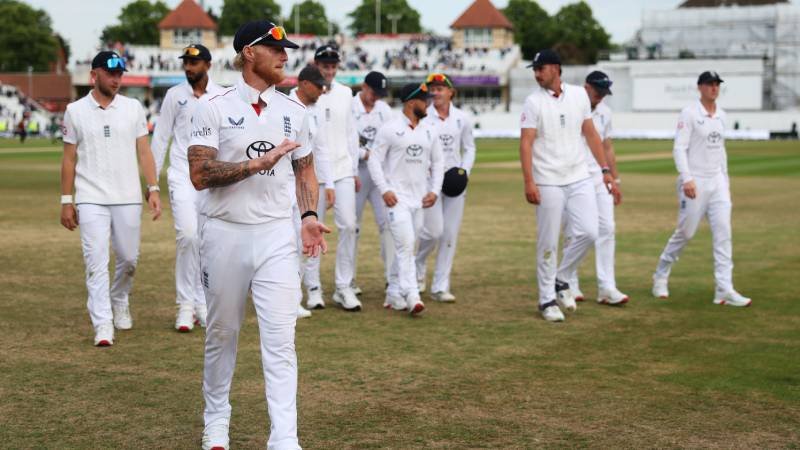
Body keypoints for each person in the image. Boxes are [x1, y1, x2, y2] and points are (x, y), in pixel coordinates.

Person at [187, 21, 329, 450]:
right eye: (276, 49)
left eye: (286, 50)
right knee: (222, 334)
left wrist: (306, 214)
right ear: (249, 53)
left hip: (275, 237)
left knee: (281, 340)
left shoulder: (295, 112)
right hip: (224, 233)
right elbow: (199, 174)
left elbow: (304, 168)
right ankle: (216, 422)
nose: (285, 57)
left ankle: (284, 437)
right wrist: (257, 163)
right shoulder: (212, 106)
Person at [59, 51, 162, 346]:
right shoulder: (75, 111)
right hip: (90, 197)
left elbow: (144, 152)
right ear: (95, 75)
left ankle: (119, 298)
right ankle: (103, 324)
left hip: (127, 195)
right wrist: (67, 200)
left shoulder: (132, 108)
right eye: (110, 73)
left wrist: (153, 188)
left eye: (120, 74)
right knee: (96, 261)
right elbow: (68, 159)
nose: (117, 79)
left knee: (129, 259)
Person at [518, 49, 619, 323]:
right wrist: (529, 181)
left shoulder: (578, 96)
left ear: (556, 68)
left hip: (579, 176)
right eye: (535, 70)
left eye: (541, 68)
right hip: (547, 180)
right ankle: (546, 300)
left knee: (589, 231)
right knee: (548, 242)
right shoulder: (533, 102)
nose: (537, 74)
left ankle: (561, 278)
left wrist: (606, 170)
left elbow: (591, 134)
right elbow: (526, 142)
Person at [652, 71, 751, 307]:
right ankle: (661, 274)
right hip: (694, 181)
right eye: (709, 84)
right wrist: (687, 178)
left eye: (717, 84)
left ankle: (724, 289)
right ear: (700, 87)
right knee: (686, 232)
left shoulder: (722, 115)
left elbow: (721, 151)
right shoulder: (690, 113)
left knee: (723, 234)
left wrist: (725, 182)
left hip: (717, 182)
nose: (714, 88)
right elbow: (679, 148)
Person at [151, 44, 225, 332]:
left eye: (194, 63)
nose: (189, 68)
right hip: (182, 174)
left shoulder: (221, 96)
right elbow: (161, 139)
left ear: (207, 65)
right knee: (188, 235)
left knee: (206, 241)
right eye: (186, 63)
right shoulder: (174, 95)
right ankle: (185, 305)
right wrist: (152, 184)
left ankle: (201, 302)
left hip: (209, 177)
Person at [368, 82, 443, 316]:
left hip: (419, 200)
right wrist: (384, 189)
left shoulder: (430, 129)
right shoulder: (390, 129)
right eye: (424, 100)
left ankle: (393, 292)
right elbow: (374, 160)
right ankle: (412, 294)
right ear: (412, 102)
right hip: (396, 199)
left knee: (408, 247)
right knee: (406, 245)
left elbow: (439, 162)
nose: (429, 104)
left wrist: (435, 190)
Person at [560, 71, 628, 305]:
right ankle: (569, 282)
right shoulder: (570, 107)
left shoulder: (604, 112)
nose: (599, 97)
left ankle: (607, 287)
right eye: (597, 92)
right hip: (574, 176)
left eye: (603, 94)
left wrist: (614, 179)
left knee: (607, 227)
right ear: (586, 87)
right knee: (573, 231)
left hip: (599, 176)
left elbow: (607, 147)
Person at [305, 44, 362, 311]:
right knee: (314, 228)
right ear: (316, 65)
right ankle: (313, 287)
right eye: (324, 66)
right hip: (314, 173)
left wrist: (354, 170)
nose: (328, 70)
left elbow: (352, 133)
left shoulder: (346, 93)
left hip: (342, 169)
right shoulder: (308, 93)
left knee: (349, 225)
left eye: (332, 66)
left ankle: (343, 286)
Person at [415, 73, 476, 303]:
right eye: (433, 88)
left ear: (451, 92)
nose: (436, 92)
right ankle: (418, 264)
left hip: (454, 181)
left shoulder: (462, 118)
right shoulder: (423, 116)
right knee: (433, 231)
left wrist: (464, 172)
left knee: (449, 235)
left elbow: (470, 148)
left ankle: (440, 286)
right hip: (430, 182)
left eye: (440, 88)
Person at [289, 64, 332, 319]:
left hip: (307, 188)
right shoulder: (284, 106)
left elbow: (321, 150)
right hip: (284, 188)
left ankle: (294, 298)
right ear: (304, 83)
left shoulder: (316, 112)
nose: (322, 91)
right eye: (318, 86)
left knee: (302, 243)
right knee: (286, 244)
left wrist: (329, 184)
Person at [351, 71, 394, 288]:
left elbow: (392, 139)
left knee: (387, 224)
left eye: (380, 94)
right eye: (374, 92)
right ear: (365, 87)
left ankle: (391, 278)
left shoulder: (384, 110)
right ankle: (349, 280)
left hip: (379, 174)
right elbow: (343, 141)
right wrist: (364, 154)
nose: (376, 97)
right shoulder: (350, 107)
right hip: (356, 172)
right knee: (352, 227)